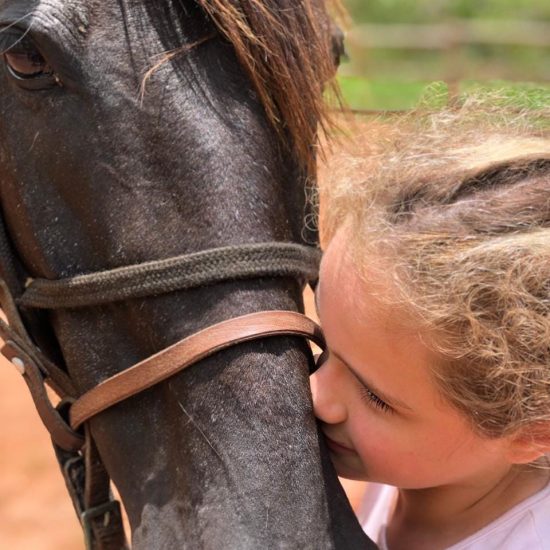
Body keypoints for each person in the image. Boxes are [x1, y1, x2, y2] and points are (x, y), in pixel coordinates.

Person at [310, 96, 550, 549]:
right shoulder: (417, 469)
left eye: (374, 398)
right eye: (324, 340)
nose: (317, 394)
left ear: (533, 431)